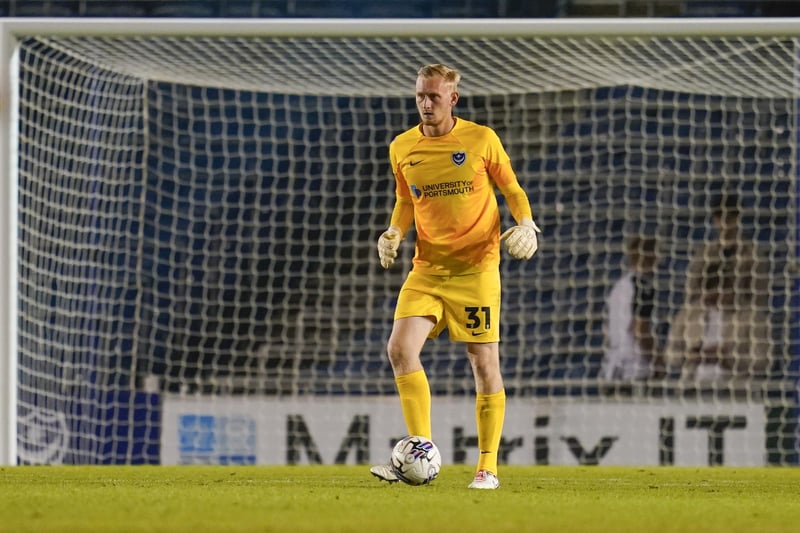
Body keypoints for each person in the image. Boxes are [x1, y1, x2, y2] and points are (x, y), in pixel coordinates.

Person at [370, 64, 540, 490]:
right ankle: (420, 453)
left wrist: (526, 224)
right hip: (427, 270)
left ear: (453, 99)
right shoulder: (401, 147)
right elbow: (405, 200)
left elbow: (513, 189)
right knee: (399, 349)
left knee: (484, 364)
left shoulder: (481, 139)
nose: (426, 104)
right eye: (420, 96)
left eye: (434, 96)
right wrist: (394, 231)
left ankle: (487, 468)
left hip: (476, 270)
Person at [664, 192, 771, 377]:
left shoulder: (753, 255)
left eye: (730, 217)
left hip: (738, 316)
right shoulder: (704, 254)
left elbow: (759, 294)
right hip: (705, 317)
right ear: (714, 219)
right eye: (720, 217)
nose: (725, 222)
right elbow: (692, 290)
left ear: (738, 217)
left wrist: (738, 307)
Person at [669, 263, 771, 381]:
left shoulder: (753, 317)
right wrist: (689, 356)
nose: (711, 303)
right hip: (692, 389)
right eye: (707, 299)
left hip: (735, 392)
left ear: (730, 288)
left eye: (715, 297)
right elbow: (669, 354)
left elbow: (763, 362)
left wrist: (726, 359)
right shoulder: (689, 313)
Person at [601, 235, 661, 380]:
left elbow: (606, 329)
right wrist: (658, 361)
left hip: (613, 366)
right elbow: (640, 330)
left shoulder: (618, 287)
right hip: (636, 367)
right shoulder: (643, 286)